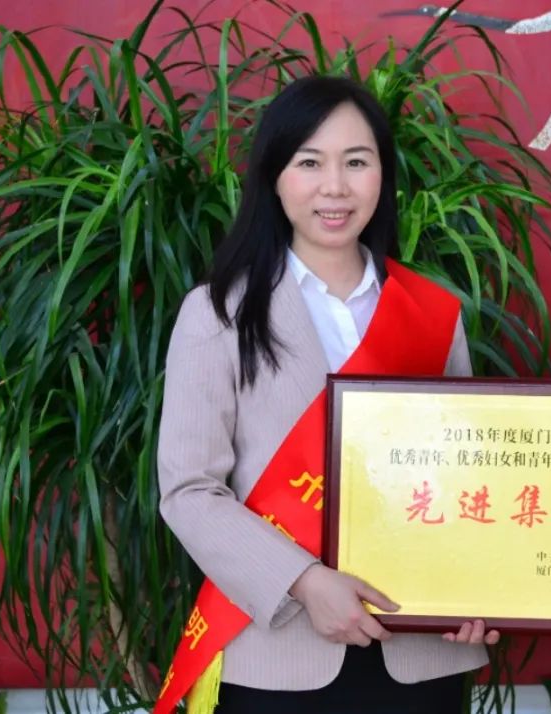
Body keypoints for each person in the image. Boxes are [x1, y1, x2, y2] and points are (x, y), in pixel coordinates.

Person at [156, 75, 497, 714]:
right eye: (309, 163)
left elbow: (465, 479)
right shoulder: (219, 313)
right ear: (274, 177)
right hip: (279, 655)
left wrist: (481, 588)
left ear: (382, 177)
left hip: (422, 650)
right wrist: (305, 582)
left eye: (356, 163)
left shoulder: (432, 313)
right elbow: (189, 489)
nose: (335, 187)